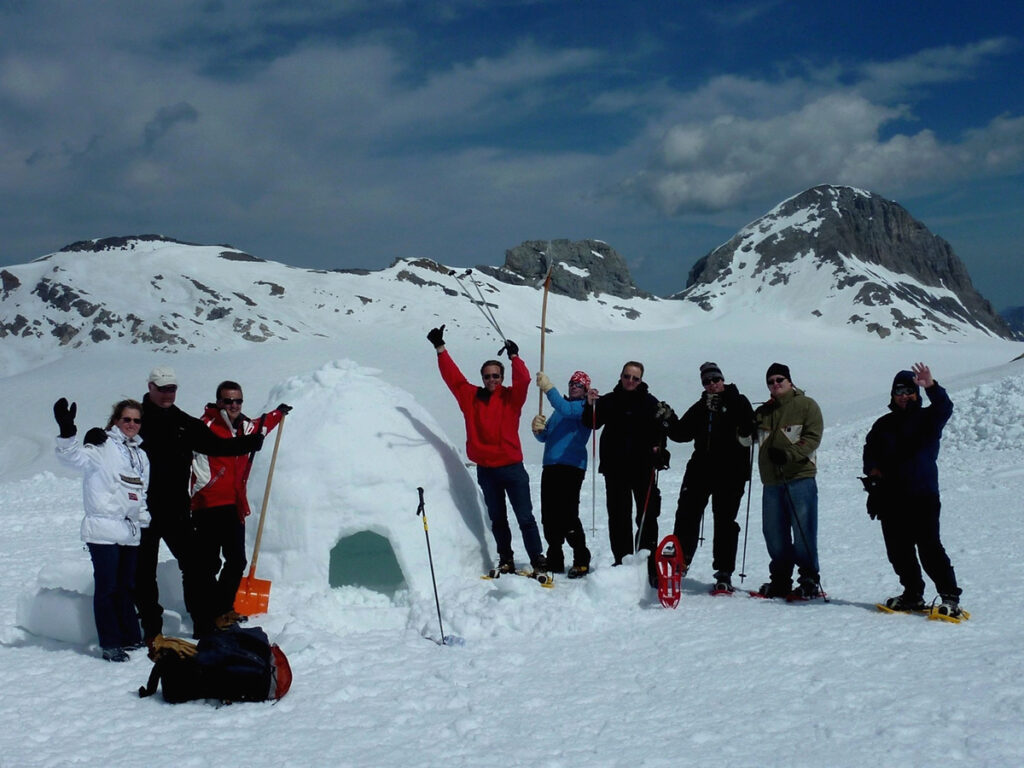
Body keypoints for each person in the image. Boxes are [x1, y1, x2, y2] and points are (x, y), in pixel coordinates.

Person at [136, 366, 264, 646]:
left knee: (197, 566)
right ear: (150, 387)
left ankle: (204, 623)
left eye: (172, 388)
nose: (168, 393)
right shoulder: (138, 418)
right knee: (144, 572)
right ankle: (152, 629)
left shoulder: (183, 421)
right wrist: (88, 437)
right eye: (162, 388)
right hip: (141, 510)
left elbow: (216, 446)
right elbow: (113, 439)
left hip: (175, 508)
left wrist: (248, 443)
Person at [428, 325, 546, 573]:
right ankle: (506, 559)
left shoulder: (511, 398)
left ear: (502, 378)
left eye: (496, 376)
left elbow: (524, 379)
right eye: (487, 376)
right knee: (498, 519)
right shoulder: (471, 398)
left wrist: (514, 357)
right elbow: (454, 378)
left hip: (512, 469)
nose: (492, 380)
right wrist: (441, 349)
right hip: (487, 471)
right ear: (482, 378)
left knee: (525, 517)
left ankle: (537, 558)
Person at [53, 397, 150, 662]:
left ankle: (131, 636)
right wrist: (67, 432)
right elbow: (73, 459)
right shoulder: (101, 444)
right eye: (126, 419)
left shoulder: (141, 455)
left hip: (129, 532)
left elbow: (141, 493)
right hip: (103, 528)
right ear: (116, 420)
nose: (131, 424)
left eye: (136, 420)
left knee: (126, 586)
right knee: (107, 587)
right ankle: (110, 643)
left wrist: (143, 519)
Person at [863, 363, 963, 618]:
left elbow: (945, 408)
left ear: (916, 393)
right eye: (899, 391)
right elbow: (870, 451)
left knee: (929, 548)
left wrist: (931, 386)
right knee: (898, 550)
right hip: (891, 497)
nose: (904, 395)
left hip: (922, 495)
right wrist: (873, 473)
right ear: (892, 394)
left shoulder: (929, 418)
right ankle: (912, 594)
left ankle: (949, 597)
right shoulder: (882, 424)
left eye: (909, 390)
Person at [190, 381, 291, 629]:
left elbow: (262, 426)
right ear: (218, 402)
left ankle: (224, 609)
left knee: (237, 561)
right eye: (228, 401)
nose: (234, 405)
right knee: (208, 565)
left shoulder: (245, 427)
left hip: (234, 504)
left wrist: (279, 413)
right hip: (207, 505)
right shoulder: (205, 426)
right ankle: (206, 616)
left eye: (238, 401)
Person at [662, 362, 754, 592]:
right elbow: (682, 433)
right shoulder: (702, 405)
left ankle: (724, 573)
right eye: (707, 382)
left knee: (724, 521)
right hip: (701, 468)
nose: (712, 384)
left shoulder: (738, 401)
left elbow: (749, 427)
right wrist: (669, 419)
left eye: (715, 380)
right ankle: (681, 562)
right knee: (687, 514)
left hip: (731, 471)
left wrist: (723, 408)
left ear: (722, 379)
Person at [582, 361, 670, 586]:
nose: (630, 381)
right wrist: (589, 404)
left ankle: (648, 566)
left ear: (641, 380)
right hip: (615, 469)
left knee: (647, 517)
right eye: (627, 376)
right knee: (619, 517)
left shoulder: (650, 403)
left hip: (642, 469)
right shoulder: (609, 401)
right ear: (620, 376)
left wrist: (659, 451)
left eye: (635, 378)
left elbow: (662, 433)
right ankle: (622, 562)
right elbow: (591, 423)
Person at [749, 363, 824, 599]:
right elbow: (745, 440)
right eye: (770, 381)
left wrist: (789, 454)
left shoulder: (806, 405)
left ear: (790, 381)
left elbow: (813, 437)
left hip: (799, 478)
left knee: (803, 532)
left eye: (779, 379)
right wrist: (743, 428)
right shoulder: (763, 412)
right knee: (774, 533)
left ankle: (809, 580)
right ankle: (780, 580)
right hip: (771, 481)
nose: (775, 384)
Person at [532, 370, 593, 578]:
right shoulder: (560, 410)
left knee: (567, 514)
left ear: (585, 390)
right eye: (572, 383)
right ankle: (555, 557)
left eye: (579, 384)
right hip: (550, 465)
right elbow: (547, 437)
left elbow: (566, 409)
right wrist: (539, 431)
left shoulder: (582, 408)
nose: (574, 386)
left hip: (571, 466)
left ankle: (581, 558)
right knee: (549, 514)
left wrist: (548, 388)